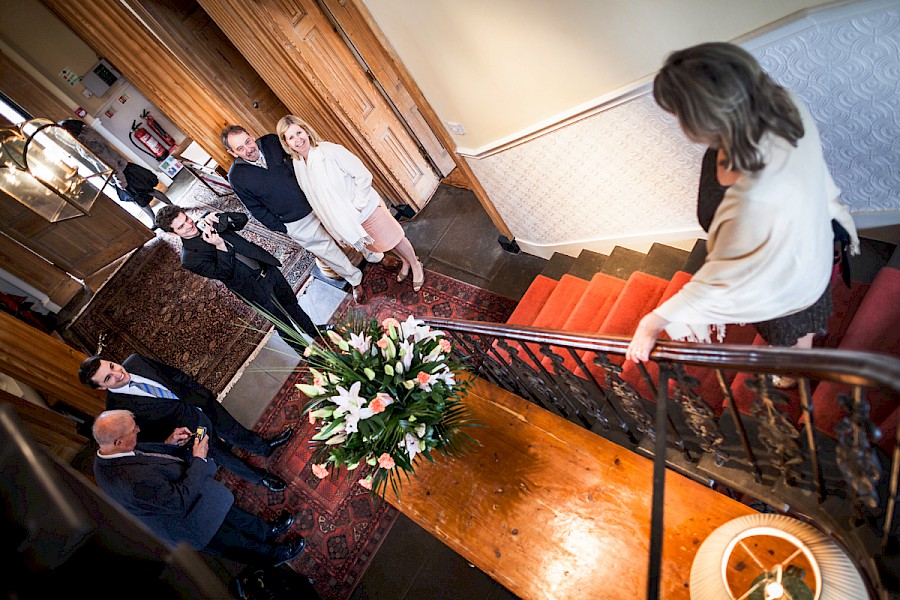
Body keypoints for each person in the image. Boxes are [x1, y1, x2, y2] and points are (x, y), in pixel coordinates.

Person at [625, 42, 860, 386]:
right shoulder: (782, 104)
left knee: (793, 331)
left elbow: (719, 278)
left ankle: (796, 369)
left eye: (679, 112)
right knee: (793, 323)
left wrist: (654, 321)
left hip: (787, 281)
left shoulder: (755, 194)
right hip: (818, 234)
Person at [92, 410, 305, 566]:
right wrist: (199, 459)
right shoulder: (129, 480)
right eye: (133, 429)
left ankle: (267, 531)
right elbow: (178, 501)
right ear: (118, 442)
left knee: (234, 516)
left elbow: (147, 460)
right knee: (237, 542)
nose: (138, 429)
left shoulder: (110, 452)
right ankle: (274, 556)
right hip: (192, 522)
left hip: (201, 497)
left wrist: (168, 444)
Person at [223, 124, 397, 304]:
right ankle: (355, 280)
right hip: (295, 221)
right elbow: (255, 208)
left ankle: (376, 256)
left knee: (350, 228)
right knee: (328, 252)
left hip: (318, 200)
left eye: (248, 141)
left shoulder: (272, 141)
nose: (249, 149)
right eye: (240, 148)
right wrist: (282, 227)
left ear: (251, 135)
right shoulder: (236, 177)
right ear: (233, 153)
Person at [79, 353, 292, 492]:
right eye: (108, 378)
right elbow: (140, 437)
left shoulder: (135, 361)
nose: (118, 374)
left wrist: (200, 393)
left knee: (233, 429)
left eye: (112, 366)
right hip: (189, 430)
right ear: (101, 388)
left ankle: (263, 447)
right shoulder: (117, 409)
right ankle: (261, 478)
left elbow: (173, 374)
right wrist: (168, 440)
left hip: (200, 403)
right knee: (220, 453)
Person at [275, 115, 426, 292]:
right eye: (291, 137)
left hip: (364, 210)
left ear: (307, 131)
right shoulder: (299, 163)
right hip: (350, 219)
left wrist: (357, 205)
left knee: (394, 239)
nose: (298, 140)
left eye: (299, 132)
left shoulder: (330, 151)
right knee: (383, 244)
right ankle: (406, 261)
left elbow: (362, 175)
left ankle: (416, 264)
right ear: (286, 143)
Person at [155, 205, 328, 353]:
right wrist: (220, 246)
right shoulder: (190, 259)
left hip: (267, 268)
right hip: (253, 289)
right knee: (283, 324)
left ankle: (315, 332)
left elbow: (241, 220)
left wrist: (222, 217)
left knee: (291, 304)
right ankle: (308, 354)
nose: (189, 225)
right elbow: (223, 274)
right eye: (181, 227)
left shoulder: (206, 221)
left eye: (186, 219)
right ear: (172, 234)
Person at [58, 119, 173, 223]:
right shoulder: (85, 135)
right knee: (141, 196)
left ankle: (161, 214)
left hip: (121, 172)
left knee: (144, 194)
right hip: (122, 169)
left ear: (71, 131)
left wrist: (120, 181)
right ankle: (160, 215)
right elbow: (75, 144)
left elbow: (109, 162)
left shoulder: (89, 142)